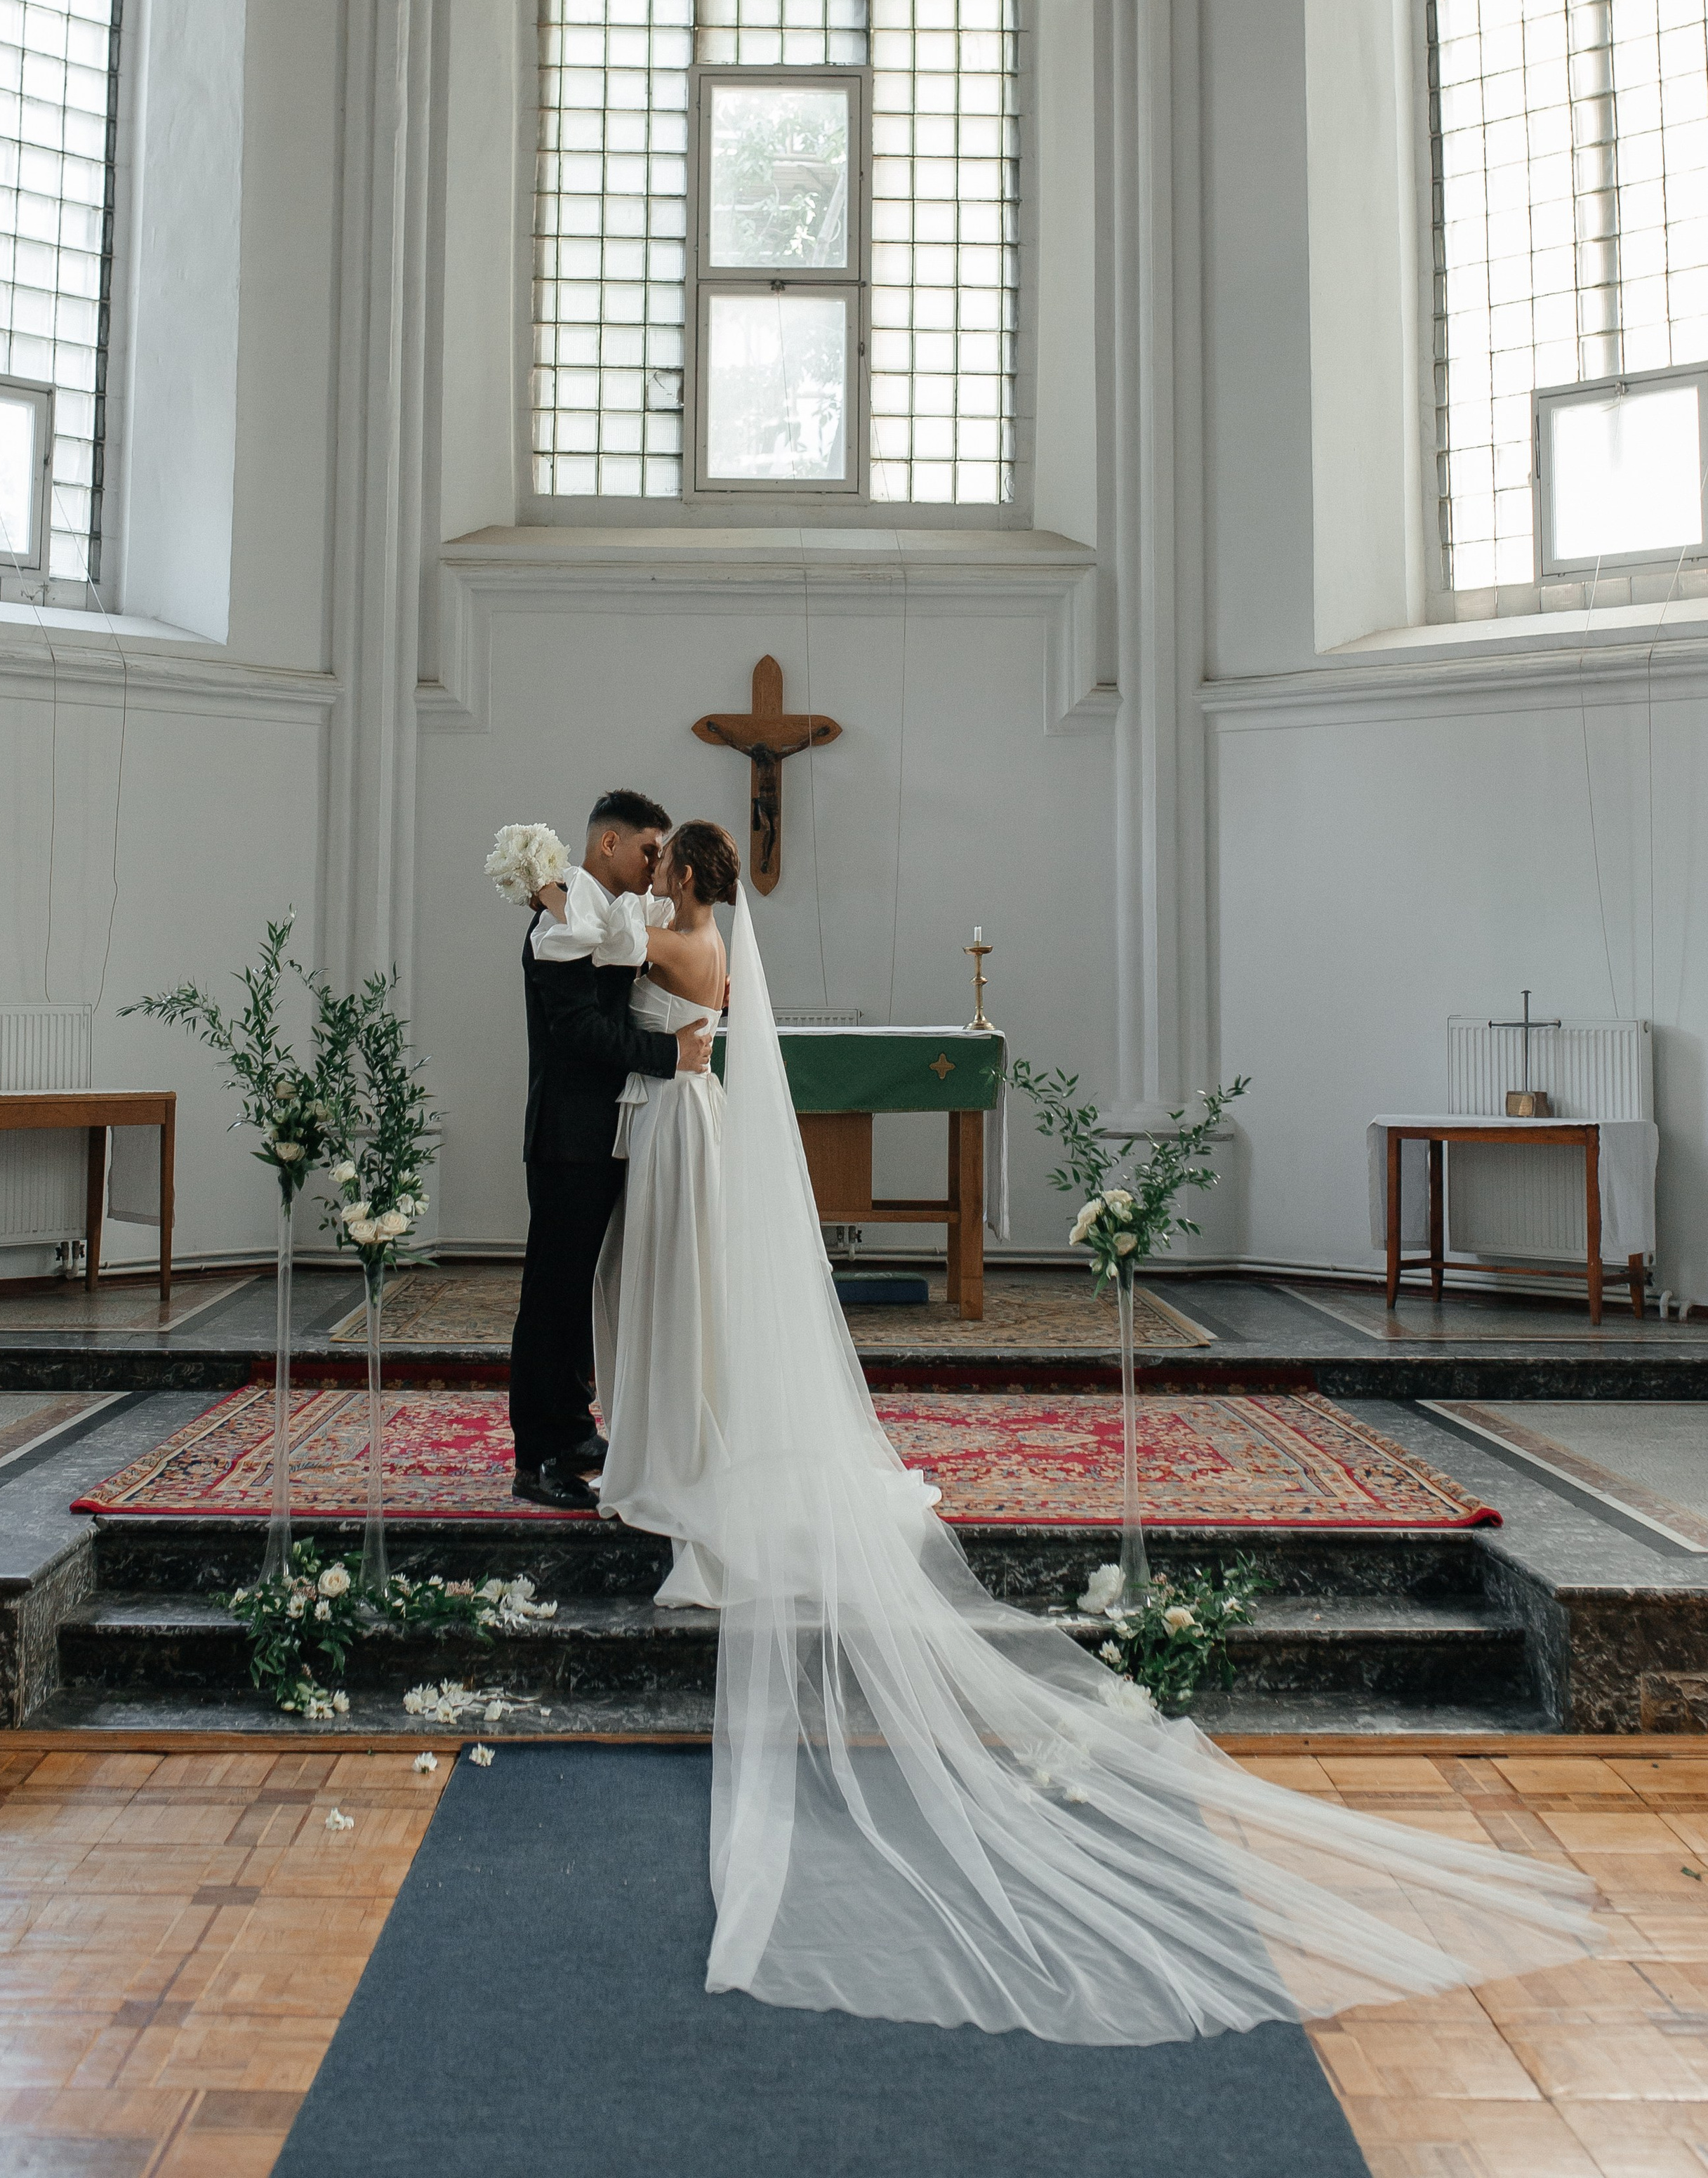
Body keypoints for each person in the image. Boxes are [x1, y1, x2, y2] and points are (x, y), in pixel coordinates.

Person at [548, 838, 1601, 2046]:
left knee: (679, 1292)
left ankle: (673, 1442)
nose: (657, 873)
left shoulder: (674, 936)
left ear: (691, 875)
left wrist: (562, 894)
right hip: (693, 1118)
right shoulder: (710, 935)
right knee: (689, 1297)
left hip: (680, 1122)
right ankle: (682, 1428)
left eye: (667, 861)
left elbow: (611, 951)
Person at [511, 790, 710, 1511]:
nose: (658, 862)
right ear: (608, 846)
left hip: (612, 1133)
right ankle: (536, 1456)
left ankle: (572, 1429)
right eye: (649, 849)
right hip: (568, 1135)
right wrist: (669, 1054)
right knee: (552, 1298)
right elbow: (577, 1032)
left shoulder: (608, 914)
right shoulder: (559, 917)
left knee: (583, 1295)